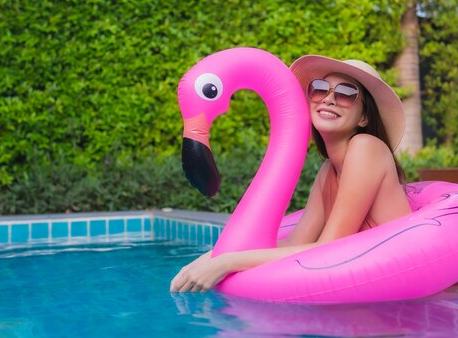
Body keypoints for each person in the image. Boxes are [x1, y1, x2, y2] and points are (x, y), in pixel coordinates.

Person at [170, 55, 412, 293]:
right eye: (319, 89)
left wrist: (227, 263)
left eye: (346, 94)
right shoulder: (329, 170)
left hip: (402, 286)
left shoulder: (366, 147)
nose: (328, 99)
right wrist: (215, 255)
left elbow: (328, 248)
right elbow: (297, 242)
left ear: (364, 117)